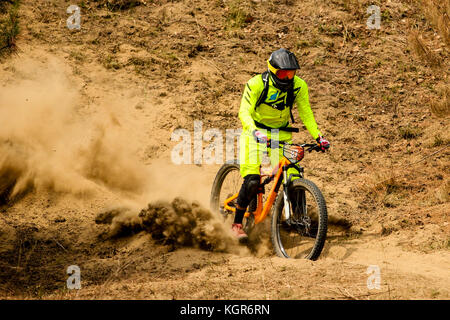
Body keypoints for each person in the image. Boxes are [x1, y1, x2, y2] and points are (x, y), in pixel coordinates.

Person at [232, 48, 330, 241]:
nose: (287, 77)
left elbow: (306, 113)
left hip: (281, 135)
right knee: (252, 180)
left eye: (291, 73)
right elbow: (244, 112)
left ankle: (300, 220)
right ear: (272, 70)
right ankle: (236, 224)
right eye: (283, 73)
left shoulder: (299, 86)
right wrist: (255, 131)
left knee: (293, 174)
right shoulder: (256, 84)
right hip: (255, 134)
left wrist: (319, 137)